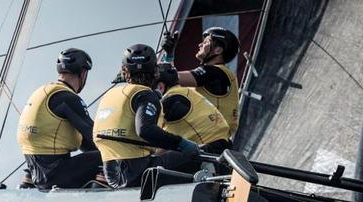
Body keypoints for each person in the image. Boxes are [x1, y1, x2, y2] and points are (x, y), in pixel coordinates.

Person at [92, 44, 201, 189]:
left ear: (124, 72)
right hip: (137, 173)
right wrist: (182, 143)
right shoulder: (145, 94)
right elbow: (145, 130)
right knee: (202, 154)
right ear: (155, 71)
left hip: (112, 174)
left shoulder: (109, 96)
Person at [17, 48, 101, 189]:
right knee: (109, 156)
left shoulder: (43, 92)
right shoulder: (68, 98)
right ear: (83, 73)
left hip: (36, 171)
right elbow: (93, 136)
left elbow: (87, 143)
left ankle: (28, 179)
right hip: (55, 174)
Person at [161, 27, 240, 137]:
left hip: (208, 141)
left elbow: (170, 78)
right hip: (209, 138)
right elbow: (173, 84)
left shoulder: (215, 73)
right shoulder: (217, 74)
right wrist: (169, 55)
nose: (200, 45)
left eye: (206, 42)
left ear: (218, 50)